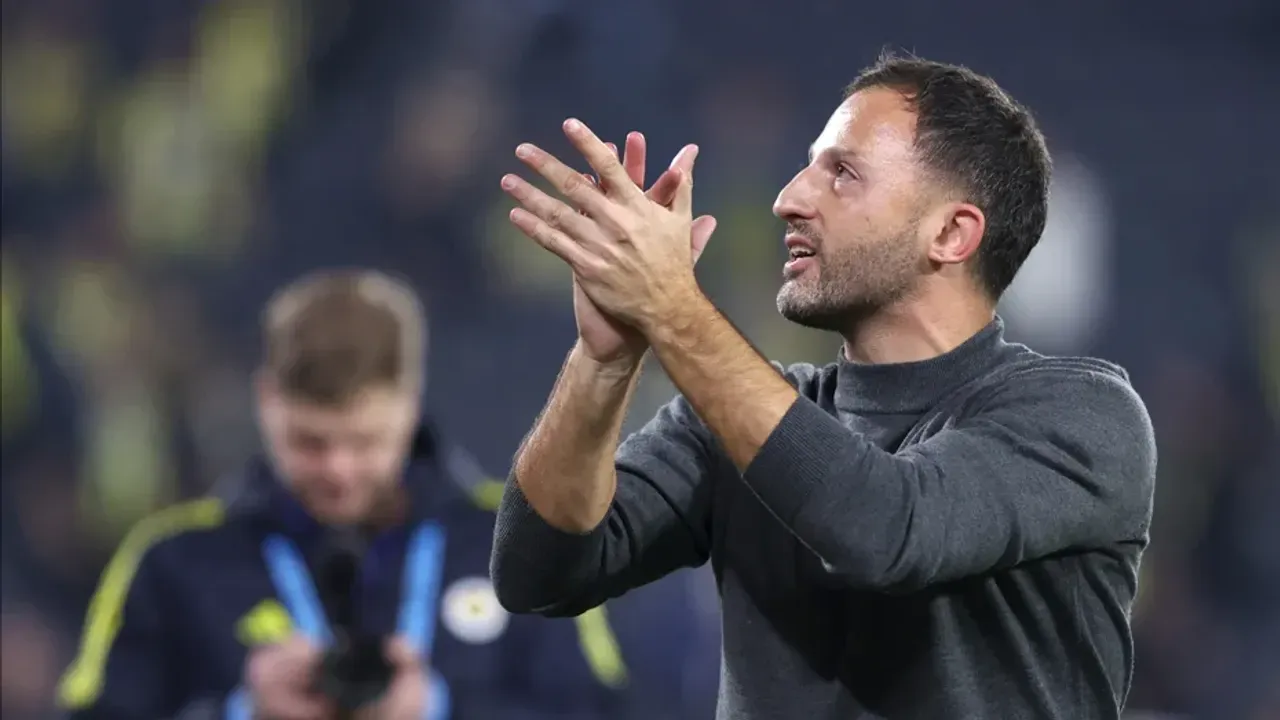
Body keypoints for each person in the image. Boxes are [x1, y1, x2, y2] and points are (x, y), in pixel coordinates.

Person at [490, 52, 1158, 719]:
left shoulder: (1084, 415)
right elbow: (537, 573)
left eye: (842, 173)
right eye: (810, 166)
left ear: (952, 233)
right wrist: (603, 359)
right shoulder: (727, 422)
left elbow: (887, 530)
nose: (789, 199)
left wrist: (672, 310)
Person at [57, 269, 710, 719]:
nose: (338, 469)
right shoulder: (173, 560)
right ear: (265, 402)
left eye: (365, 441)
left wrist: (440, 708)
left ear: (410, 404)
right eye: (310, 441)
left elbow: (605, 713)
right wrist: (238, 712)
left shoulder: (522, 540)